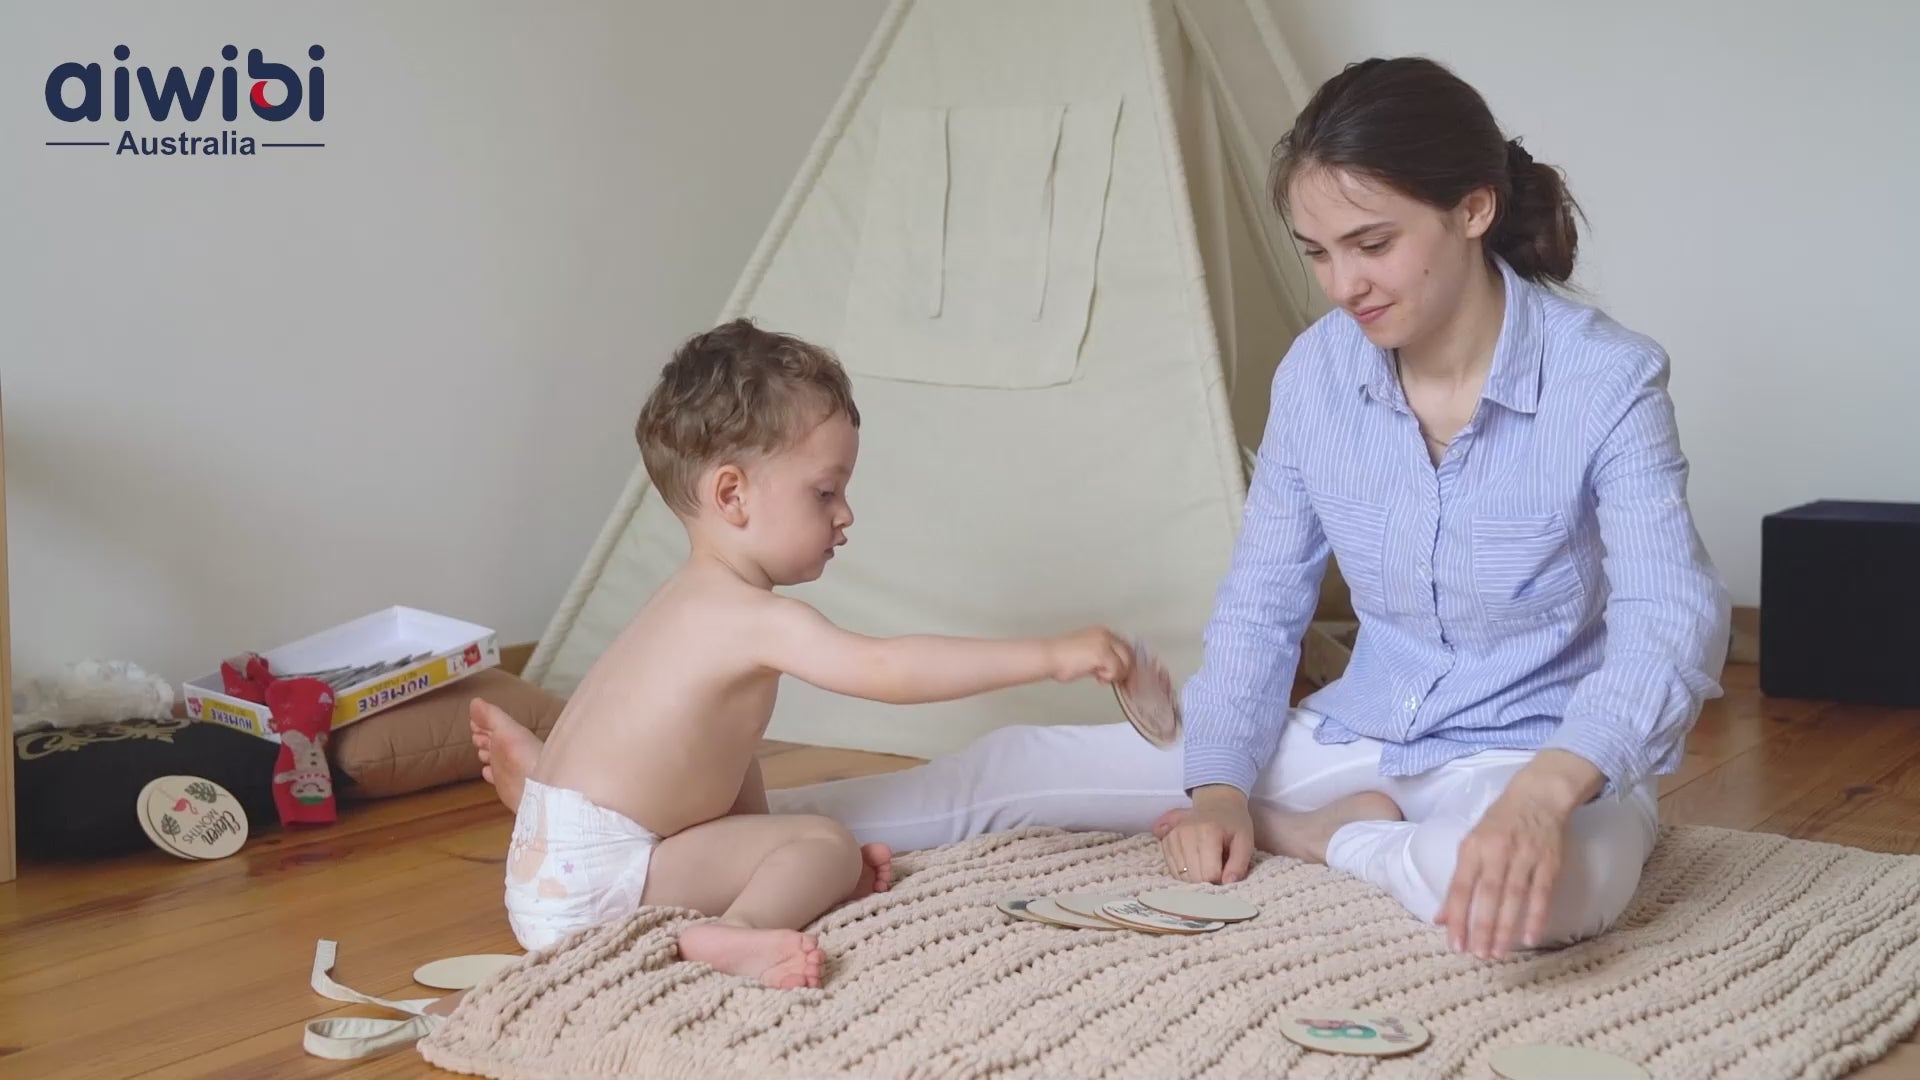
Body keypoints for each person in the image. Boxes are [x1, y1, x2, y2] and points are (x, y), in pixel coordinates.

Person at [477, 55, 1730, 966]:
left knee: (1539, 893)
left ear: (1472, 210)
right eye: (1315, 253)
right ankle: (629, 831)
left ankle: (1320, 840)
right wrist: (1222, 784)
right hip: (1357, 733)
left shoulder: (1607, 381)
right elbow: (1263, 604)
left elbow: (1674, 621)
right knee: (1012, 769)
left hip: (1534, 752)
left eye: (1371, 243)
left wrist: (1549, 787)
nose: (1341, 285)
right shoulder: (1319, 378)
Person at [478, 317, 1135, 990]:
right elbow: (887, 669)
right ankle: (738, 931)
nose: (845, 514)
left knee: (768, 808)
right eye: (825, 492)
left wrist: (778, 861)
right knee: (823, 842)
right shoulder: (754, 618)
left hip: (552, 867)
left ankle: (569, 801)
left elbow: (725, 782)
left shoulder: (679, 603)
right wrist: (1049, 655)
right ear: (732, 495)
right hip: (595, 889)